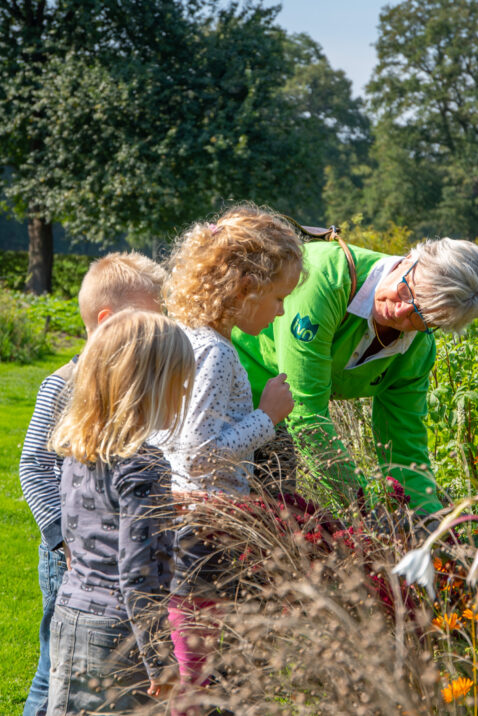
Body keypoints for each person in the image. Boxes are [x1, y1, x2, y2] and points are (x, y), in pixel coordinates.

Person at [232, 236, 478, 515]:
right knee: (227, 525)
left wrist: (432, 523)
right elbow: (306, 413)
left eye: (421, 315)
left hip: (277, 418)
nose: (401, 310)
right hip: (229, 394)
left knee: (273, 522)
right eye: (407, 290)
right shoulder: (327, 279)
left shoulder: (416, 352)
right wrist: (367, 505)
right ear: (409, 259)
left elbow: (405, 455)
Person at [160, 205, 303, 704]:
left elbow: (167, 439)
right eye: (279, 297)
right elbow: (199, 456)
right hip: (207, 525)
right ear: (245, 286)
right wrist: (268, 416)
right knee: (204, 673)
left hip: (183, 520)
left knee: (197, 665)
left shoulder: (186, 340)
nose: (282, 311)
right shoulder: (217, 353)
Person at [19, 252, 166, 716]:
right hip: (72, 554)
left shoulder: (130, 383)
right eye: (148, 319)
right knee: (54, 667)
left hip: (108, 555)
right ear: (107, 321)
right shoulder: (64, 383)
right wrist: (62, 538)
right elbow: (34, 466)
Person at [46, 310, 195, 714]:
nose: (183, 393)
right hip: (120, 636)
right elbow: (138, 577)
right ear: (148, 387)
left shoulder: (79, 452)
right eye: (179, 382)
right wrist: (161, 661)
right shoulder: (145, 465)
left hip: (70, 614)